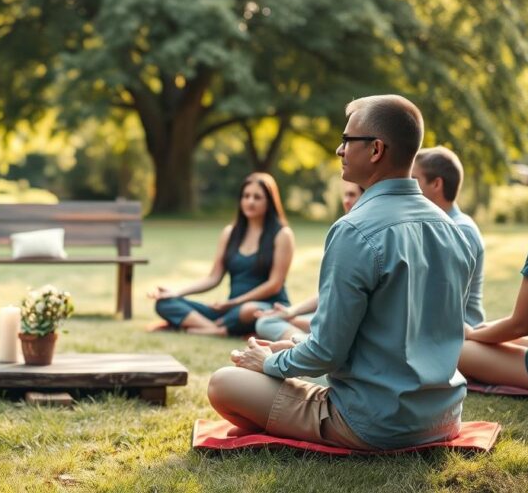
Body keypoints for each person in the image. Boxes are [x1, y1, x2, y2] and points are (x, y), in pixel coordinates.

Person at [208, 95, 476, 450]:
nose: (339, 149)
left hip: (374, 423)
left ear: (376, 149)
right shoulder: (451, 228)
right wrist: (291, 347)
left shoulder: (355, 230)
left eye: (347, 140)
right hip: (444, 418)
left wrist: (270, 361)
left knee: (223, 382)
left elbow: (327, 354)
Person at [458, 140, 528, 394]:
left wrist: (470, 335)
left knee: (447, 348)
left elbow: (520, 326)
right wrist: (478, 331)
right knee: (485, 332)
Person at [149, 172, 295, 336]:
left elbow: (274, 284)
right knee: (164, 303)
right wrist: (176, 292)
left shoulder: (283, 235)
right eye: (246, 196)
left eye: (257, 197)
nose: (250, 201)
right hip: (231, 310)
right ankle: (216, 329)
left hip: (264, 307)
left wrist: (234, 303)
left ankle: (208, 328)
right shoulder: (230, 233)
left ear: (270, 201)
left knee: (249, 310)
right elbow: (213, 278)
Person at [255, 181, 363, 341]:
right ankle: (302, 339)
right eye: (345, 194)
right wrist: (291, 312)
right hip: (326, 317)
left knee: (265, 320)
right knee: (265, 321)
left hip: (342, 322)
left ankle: (301, 344)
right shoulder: (346, 229)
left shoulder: (358, 235)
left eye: (352, 195)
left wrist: (293, 315)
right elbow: (329, 292)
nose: (346, 200)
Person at [412, 146, 485, 326]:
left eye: (414, 180)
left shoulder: (460, 231)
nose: (408, 186)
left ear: (436, 184)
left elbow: (437, 301)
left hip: (459, 338)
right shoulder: (433, 227)